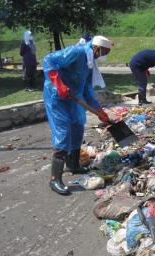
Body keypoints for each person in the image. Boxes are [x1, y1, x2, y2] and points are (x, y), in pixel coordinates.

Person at [42, 35, 113, 195]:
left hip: (74, 98)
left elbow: (87, 90)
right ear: (96, 47)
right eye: (104, 51)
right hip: (57, 97)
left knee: (78, 127)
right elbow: (48, 60)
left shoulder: (89, 64)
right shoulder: (78, 52)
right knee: (63, 133)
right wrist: (59, 84)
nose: (104, 55)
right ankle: (55, 179)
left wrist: (100, 112)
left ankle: (73, 165)